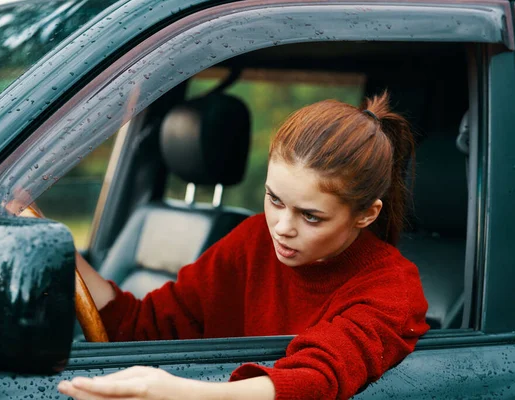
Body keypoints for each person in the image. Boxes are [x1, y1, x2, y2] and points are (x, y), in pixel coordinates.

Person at [56, 92, 429, 400]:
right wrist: (59, 249)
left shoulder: (391, 289)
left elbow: (316, 380)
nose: (282, 228)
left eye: (311, 216)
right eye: (274, 199)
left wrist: (177, 394)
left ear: (366, 214)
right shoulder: (253, 240)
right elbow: (144, 328)